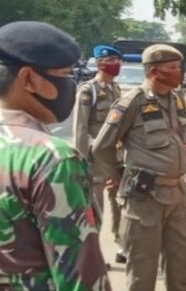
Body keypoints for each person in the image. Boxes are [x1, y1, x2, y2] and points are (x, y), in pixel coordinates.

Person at [0, 21, 110, 289]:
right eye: (64, 74)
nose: (70, 84)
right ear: (28, 79)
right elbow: (80, 280)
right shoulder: (51, 159)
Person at [93, 44, 186, 291]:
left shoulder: (177, 100)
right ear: (153, 71)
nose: (178, 73)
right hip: (144, 197)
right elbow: (102, 147)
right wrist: (120, 175)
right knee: (142, 273)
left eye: (179, 68)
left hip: (176, 196)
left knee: (181, 269)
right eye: (171, 68)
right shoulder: (131, 103)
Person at [72, 44, 126, 263]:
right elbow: (80, 128)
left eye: (118, 62)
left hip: (114, 157)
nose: (117, 66)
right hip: (94, 158)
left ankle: (122, 246)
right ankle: (94, 254)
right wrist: (80, 160)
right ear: (102, 63)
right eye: (113, 62)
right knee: (96, 207)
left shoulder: (115, 89)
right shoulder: (88, 90)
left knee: (119, 202)